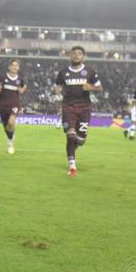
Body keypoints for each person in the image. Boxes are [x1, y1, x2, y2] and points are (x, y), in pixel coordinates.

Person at [52, 46, 103, 177]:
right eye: (74, 53)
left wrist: (90, 87)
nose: (76, 56)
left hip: (85, 109)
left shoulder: (90, 71)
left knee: (80, 140)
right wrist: (55, 90)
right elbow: (57, 86)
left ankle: (72, 148)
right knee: (70, 135)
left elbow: (100, 87)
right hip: (68, 107)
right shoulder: (63, 72)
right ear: (70, 56)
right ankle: (72, 166)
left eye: (79, 54)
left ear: (83, 56)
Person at [0, 59, 26, 154]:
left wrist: (22, 90)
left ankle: (10, 141)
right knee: (6, 127)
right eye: (13, 65)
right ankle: (11, 136)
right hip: (3, 105)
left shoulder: (20, 79)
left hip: (14, 104)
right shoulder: (2, 78)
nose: (14, 67)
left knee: (11, 122)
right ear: (9, 67)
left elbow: (23, 86)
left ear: (18, 68)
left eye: (16, 65)